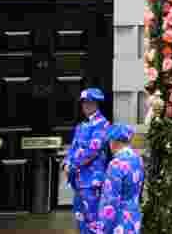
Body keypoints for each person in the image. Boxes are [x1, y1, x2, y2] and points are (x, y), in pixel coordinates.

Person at [62, 88, 110, 234]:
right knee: (80, 217)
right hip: (79, 179)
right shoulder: (82, 125)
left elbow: (92, 151)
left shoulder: (102, 124)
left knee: (93, 218)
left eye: (89, 103)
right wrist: (66, 162)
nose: (85, 106)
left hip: (92, 180)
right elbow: (73, 147)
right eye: (83, 103)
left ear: (96, 104)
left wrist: (72, 165)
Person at [94, 124, 144, 234]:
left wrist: (102, 229)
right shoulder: (138, 159)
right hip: (135, 218)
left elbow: (110, 200)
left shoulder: (116, 164)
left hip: (119, 222)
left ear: (113, 142)